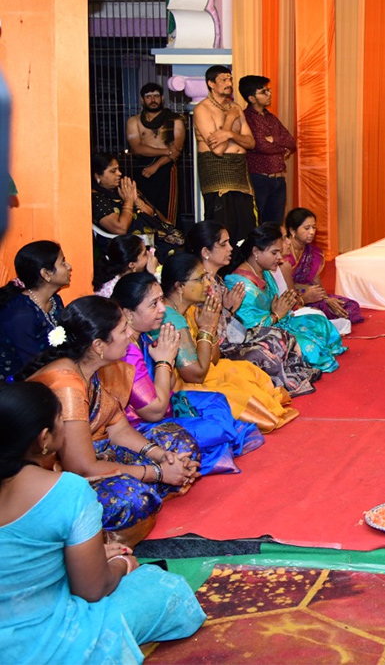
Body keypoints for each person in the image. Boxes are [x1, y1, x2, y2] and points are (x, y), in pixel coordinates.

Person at [0, 381, 205, 663]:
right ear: (43, 438)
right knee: (166, 588)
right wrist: (119, 565)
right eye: (62, 420)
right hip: (50, 642)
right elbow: (92, 590)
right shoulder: (67, 491)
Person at [23, 297, 199, 544]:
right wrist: (157, 473)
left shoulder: (100, 365)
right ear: (98, 345)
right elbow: (81, 468)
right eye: (123, 330)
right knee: (132, 499)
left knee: (178, 442)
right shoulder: (66, 384)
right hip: (55, 477)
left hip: (101, 453)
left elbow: (119, 428)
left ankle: (169, 475)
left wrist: (161, 457)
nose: (130, 335)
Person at [114, 270, 269, 476]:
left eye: (161, 300)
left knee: (217, 400)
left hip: (166, 404)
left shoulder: (142, 337)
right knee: (216, 427)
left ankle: (213, 442)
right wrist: (164, 361)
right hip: (143, 426)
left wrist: (166, 358)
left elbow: (168, 386)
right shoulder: (126, 352)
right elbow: (154, 412)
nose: (162, 309)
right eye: (154, 304)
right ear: (128, 314)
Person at [161, 253, 297, 433]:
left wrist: (212, 326)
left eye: (207, 278)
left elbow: (214, 360)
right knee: (239, 393)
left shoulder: (191, 309)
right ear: (179, 286)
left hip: (204, 370)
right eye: (201, 279)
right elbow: (195, 376)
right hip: (181, 388)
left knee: (247, 371)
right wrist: (207, 329)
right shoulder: (172, 319)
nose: (208, 285)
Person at [186, 220, 316, 396]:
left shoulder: (216, 280)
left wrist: (229, 310)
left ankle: (292, 377)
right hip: (216, 347)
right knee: (264, 349)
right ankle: (283, 382)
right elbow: (209, 326)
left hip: (230, 335)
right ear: (206, 252)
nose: (231, 248)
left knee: (281, 335)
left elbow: (226, 319)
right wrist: (230, 311)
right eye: (224, 244)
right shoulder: (200, 285)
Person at [225, 224, 346, 372]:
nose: (279, 258)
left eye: (279, 252)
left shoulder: (264, 271)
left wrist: (283, 309)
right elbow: (250, 327)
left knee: (320, 323)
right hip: (260, 335)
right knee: (310, 348)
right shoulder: (240, 284)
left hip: (280, 322)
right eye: (274, 253)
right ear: (256, 251)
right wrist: (276, 315)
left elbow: (276, 305)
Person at [194, 64, 257, 243]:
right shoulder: (202, 109)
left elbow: (251, 142)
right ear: (211, 84)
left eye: (230, 78)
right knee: (222, 232)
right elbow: (218, 150)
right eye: (223, 79)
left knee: (246, 231)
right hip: (218, 177)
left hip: (240, 176)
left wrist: (229, 134)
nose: (228, 82)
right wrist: (229, 120)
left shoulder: (235, 107)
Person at [0, 241, 70, 381]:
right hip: (18, 387)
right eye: (63, 262)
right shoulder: (20, 314)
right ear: (46, 274)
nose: (69, 267)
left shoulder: (55, 300)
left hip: (50, 373)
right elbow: (31, 367)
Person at [282, 207, 364, 324]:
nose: (312, 232)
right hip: (290, 301)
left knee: (350, 306)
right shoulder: (283, 254)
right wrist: (304, 298)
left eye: (314, 227)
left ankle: (321, 320)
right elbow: (284, 291)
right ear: (292, 231)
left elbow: (317, 285)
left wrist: (327, 299)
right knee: (311, 314)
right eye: (307, 228)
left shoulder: (314, 253)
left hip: (311, 297)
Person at [90, 152, 183, 252]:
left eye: (118, 169)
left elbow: (151, 214)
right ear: (97, 176)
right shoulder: (97, 199)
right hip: (131, 247)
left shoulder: (122, 189)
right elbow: (120, 228)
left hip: (153, 237)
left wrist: (137, 200)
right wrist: (128, 201)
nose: (119, 174)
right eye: (113, 171)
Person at [240, 74, 296, 226]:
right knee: (258, 224)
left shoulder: (271, 117)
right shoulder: (247, 118)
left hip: (278, 180)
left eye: (268, 90)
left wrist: (274, 139)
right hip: (259, 179)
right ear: (252, 98)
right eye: (264, 92)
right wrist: (280, 146)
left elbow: (291, 141)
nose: (269, 94)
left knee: (275, 226)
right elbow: (261, 146)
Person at [125, 81, 184, 223]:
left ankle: (172, 238)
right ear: (142, 100)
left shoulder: (175, 120)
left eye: (156, 96)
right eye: (149, 96)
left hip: (167, 167)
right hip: (142, 168)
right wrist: (166, 151)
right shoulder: (134, 121)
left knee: (168, 208)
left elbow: (176, 150)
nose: (153, 100)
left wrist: (156, 166)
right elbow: (136, 148)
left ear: (162, 98)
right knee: (144, 205)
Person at [93, 234, 158, 298]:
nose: (150, 254)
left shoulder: (120, 273)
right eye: (144, 254)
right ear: (132, 265)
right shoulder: (119, 288)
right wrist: (153, 273)